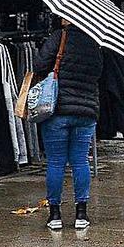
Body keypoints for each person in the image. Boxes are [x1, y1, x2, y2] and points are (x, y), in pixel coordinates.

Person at [33, 20, 103, 231]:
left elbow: (39, 65)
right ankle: (81, 214)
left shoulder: (58, 37)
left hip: (58, 110)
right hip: (86, 112)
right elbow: (99, 73)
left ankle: (55, 215)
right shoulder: (94, 43)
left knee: (56, 163)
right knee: (81, 161)